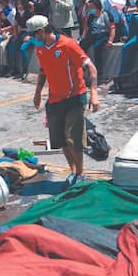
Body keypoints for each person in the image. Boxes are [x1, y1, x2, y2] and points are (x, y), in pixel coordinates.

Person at [27, 15, 99, 186]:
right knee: (60, 139)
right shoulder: (40, 48)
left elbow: (91, 67)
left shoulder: (68, 45)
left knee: (74, 138)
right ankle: (72, 170)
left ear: (42, 31)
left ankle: (80, 174)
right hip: (54, 98)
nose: (31, 39)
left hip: (74, 97)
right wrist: (37, 93)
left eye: (33, 35)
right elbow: (43, 71)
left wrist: (94, 93)